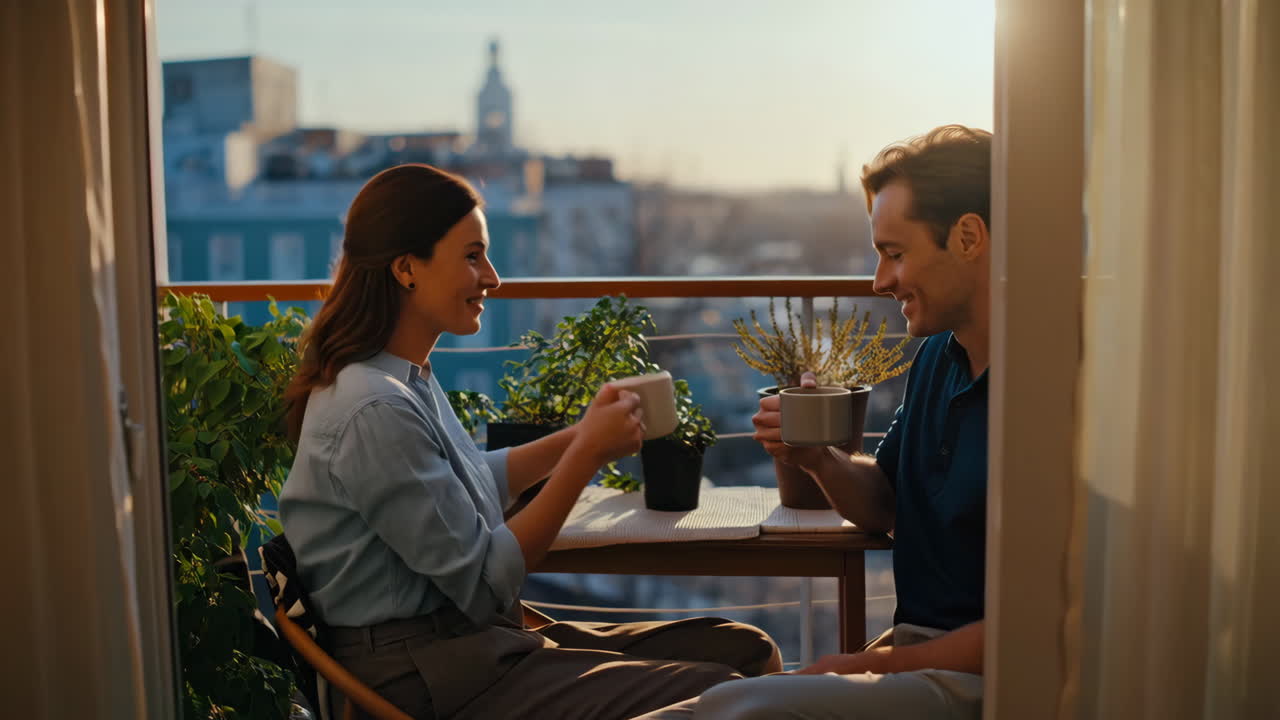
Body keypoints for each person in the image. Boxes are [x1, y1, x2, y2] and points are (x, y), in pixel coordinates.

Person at [278, 164, 781, 720]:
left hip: (471, 647)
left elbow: (473, 481)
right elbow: (484, 583)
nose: (492, 278)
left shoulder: (402, 378)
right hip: (430, 677)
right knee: (728, 693)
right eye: (473, 257)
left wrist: (580, 434)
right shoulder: (375, 408)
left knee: (745, 649)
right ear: (406, 269)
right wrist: (586, 454)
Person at [638, 124, 992, 719]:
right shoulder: (938, 356)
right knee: (700, 707)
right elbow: (886, 504)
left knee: (733, 707)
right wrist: (817, 457)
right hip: (919, 659)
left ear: (968, 237)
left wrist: (867, 666)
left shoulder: (1049, 390)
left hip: (987, 679)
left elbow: (1039, 622)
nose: (880, 281)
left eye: (896, 254)